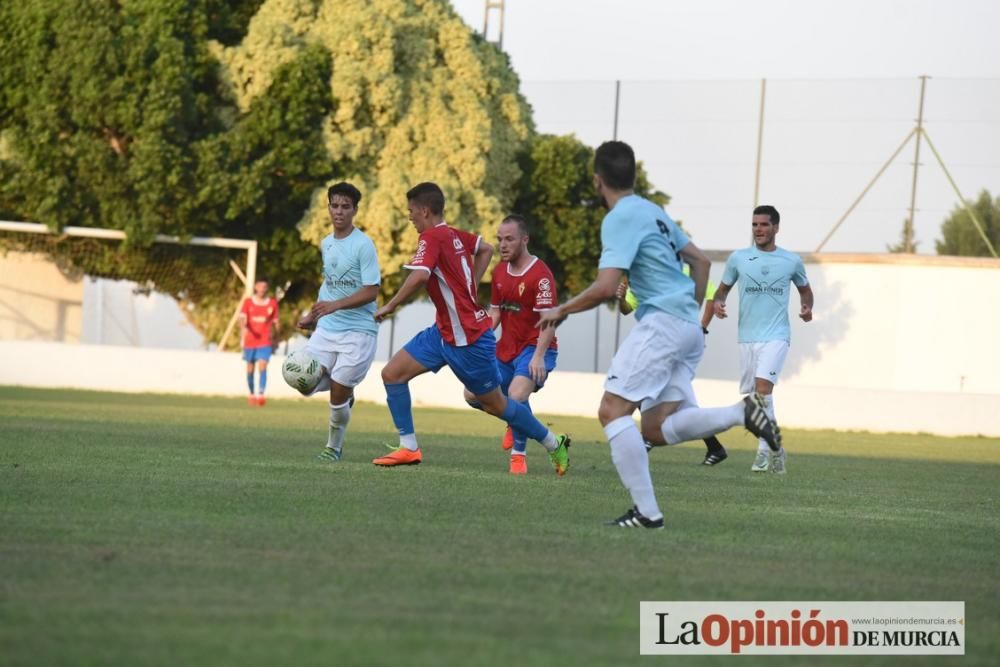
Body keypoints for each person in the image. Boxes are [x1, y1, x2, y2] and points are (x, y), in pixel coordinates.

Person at [538, 141, 779, 529]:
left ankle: (648, 513)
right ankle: (741, 412)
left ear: (598, 181)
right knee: (653, 428)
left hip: (663, 324)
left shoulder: (619, 217)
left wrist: (561, 310)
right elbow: (700, 261)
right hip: (687, 327)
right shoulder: (654, 212)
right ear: (632, 176)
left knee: (611, 411)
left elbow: (605, 286)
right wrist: (689, 306)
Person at [372, 182, 571, 473]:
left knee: (499, 405)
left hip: (468, 340)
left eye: (412, 212)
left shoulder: (431, 237)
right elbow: (486, 248)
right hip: (442, 332)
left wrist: (391, 305)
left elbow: (418, 276)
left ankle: (554, 443)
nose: (410, 217)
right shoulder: (453, 235)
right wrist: (469, 288)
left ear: (425, 211)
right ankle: (409, 447)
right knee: (392, 374)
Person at [712, 204, 813, 475]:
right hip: (747, 337)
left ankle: (762, 453)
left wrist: (807, 308)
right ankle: (777, 448)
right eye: (755, 225)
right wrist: (718, 305)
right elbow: (721, 292)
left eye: (764, 225)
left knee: (763, 389)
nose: (758, 229)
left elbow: (806, 291)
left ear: (776, 228)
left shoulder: (791, 260)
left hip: (777, 336)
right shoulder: (738, 259)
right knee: (757, 396)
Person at [296, 182, 381, 462]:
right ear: (329, 208)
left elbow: (371, 289)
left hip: (358, 331)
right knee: (301, 380)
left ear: (355, 210)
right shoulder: (327, 243)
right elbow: (329, 286)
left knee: (337, 397)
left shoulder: (363, 245)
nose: (339, 211)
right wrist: (314, 315)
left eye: (346, 207)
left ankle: (333, 447)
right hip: (328, 328)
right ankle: (343, 391)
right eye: (335, 205)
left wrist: (336, 306)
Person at [467, 214, 558, 475]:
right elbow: (495, 313)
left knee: (517, 395)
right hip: (505, 349)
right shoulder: (498, 272)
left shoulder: (540, 276)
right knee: (472, 395)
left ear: (524, 240)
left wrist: (538, 357)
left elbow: (549, 321)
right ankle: (513, 418)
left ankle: (518, 455)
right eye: (499, 239)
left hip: (536, 346)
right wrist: (477, 337)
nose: (503, 245)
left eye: (509, 239)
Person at [616, 266, 729, 466]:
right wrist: (621, 299)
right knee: (681, 400)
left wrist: (701, 327)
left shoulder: (685, 268)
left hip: (679, 342)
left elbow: (711, 295)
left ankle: (648, 438)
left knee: (645, 382)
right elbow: (627, 310)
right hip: (658, 341)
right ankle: (715, 446)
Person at [239, 278, 279, 406]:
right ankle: (251, 394)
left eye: (264, 287)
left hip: (265, 341)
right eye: (260, 286)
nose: (262, 289)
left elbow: (276, 322)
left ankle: (261, 395)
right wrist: (244, 327)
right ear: (256, 287)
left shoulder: (272, 303)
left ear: (267, 289)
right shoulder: (248, 302)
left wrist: (277, 336)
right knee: (250, 369)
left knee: (262, 366)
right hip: (250, 341)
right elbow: (242, 318)